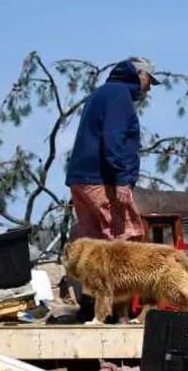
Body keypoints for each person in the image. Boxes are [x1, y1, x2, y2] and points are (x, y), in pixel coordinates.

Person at [65, 56, 159, 241]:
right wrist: (121, 181)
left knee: (95, 244)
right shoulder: (119, 95)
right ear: (139, 73)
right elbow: (113, 140)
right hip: (102, 180)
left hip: (82, 178)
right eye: (149, 80)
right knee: (122, 242)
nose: (149, 88)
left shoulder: (101, 93)